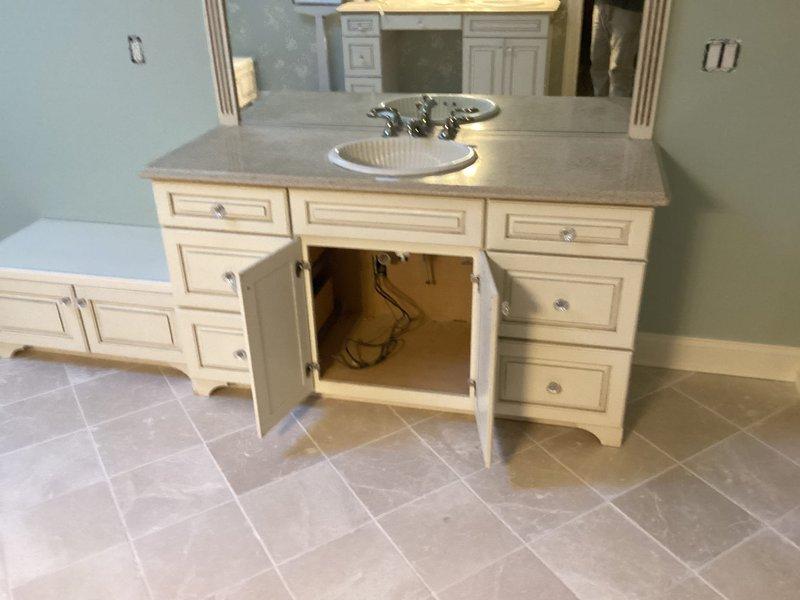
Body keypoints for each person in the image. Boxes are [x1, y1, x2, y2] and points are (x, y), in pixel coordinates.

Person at [590, 0, 644, 97]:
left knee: (619, 68)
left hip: (628, 8)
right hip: (601, 5)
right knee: (598, 62)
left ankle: (617, 109)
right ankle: (599, 105)